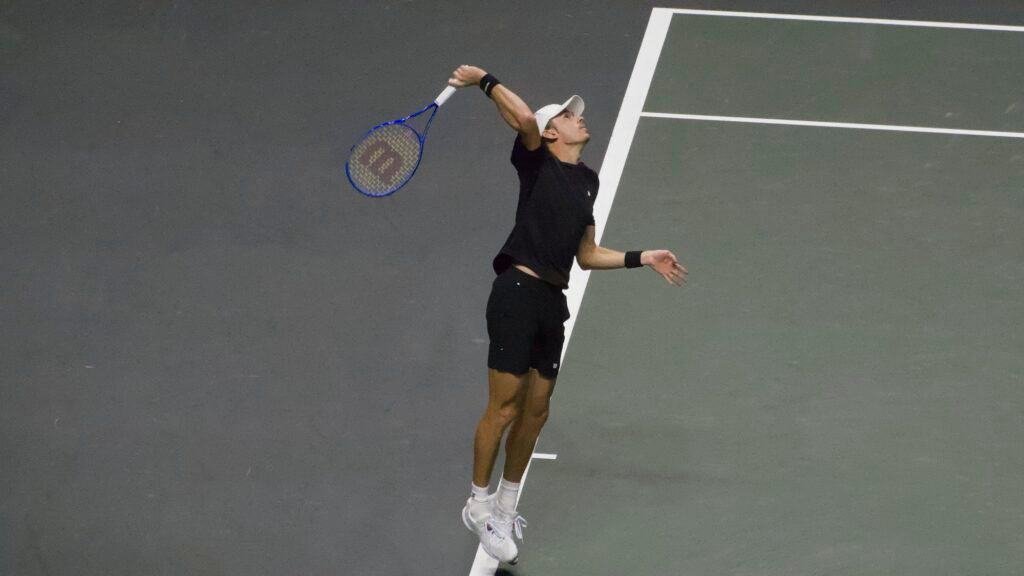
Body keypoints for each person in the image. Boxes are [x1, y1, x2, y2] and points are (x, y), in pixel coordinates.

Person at [447, 64, 688, 565]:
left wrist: (642, 257)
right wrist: (485, 80)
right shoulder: (536, 161)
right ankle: (477, 503)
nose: (580, 119)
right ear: (552, 131)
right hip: (516, 290)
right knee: (506, 406)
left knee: (536, 410)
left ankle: (505, 507)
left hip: (553, 300)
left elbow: (586, 253)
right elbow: (523, 121)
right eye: (568, 116)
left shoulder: (588, 182)